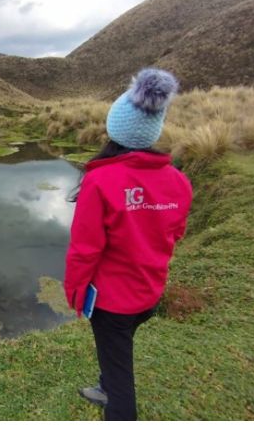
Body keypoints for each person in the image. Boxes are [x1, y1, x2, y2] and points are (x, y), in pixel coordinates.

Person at [63, 68, 193, 421]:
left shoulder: (100, 180)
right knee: (116, 352)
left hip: (112, 302)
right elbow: (176, 232)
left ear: (114, 127)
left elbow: (85, 249)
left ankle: (115, 398)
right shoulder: (179, 180)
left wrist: (74, 290)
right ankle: (106, 385)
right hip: (149, 292)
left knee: (120, 373)